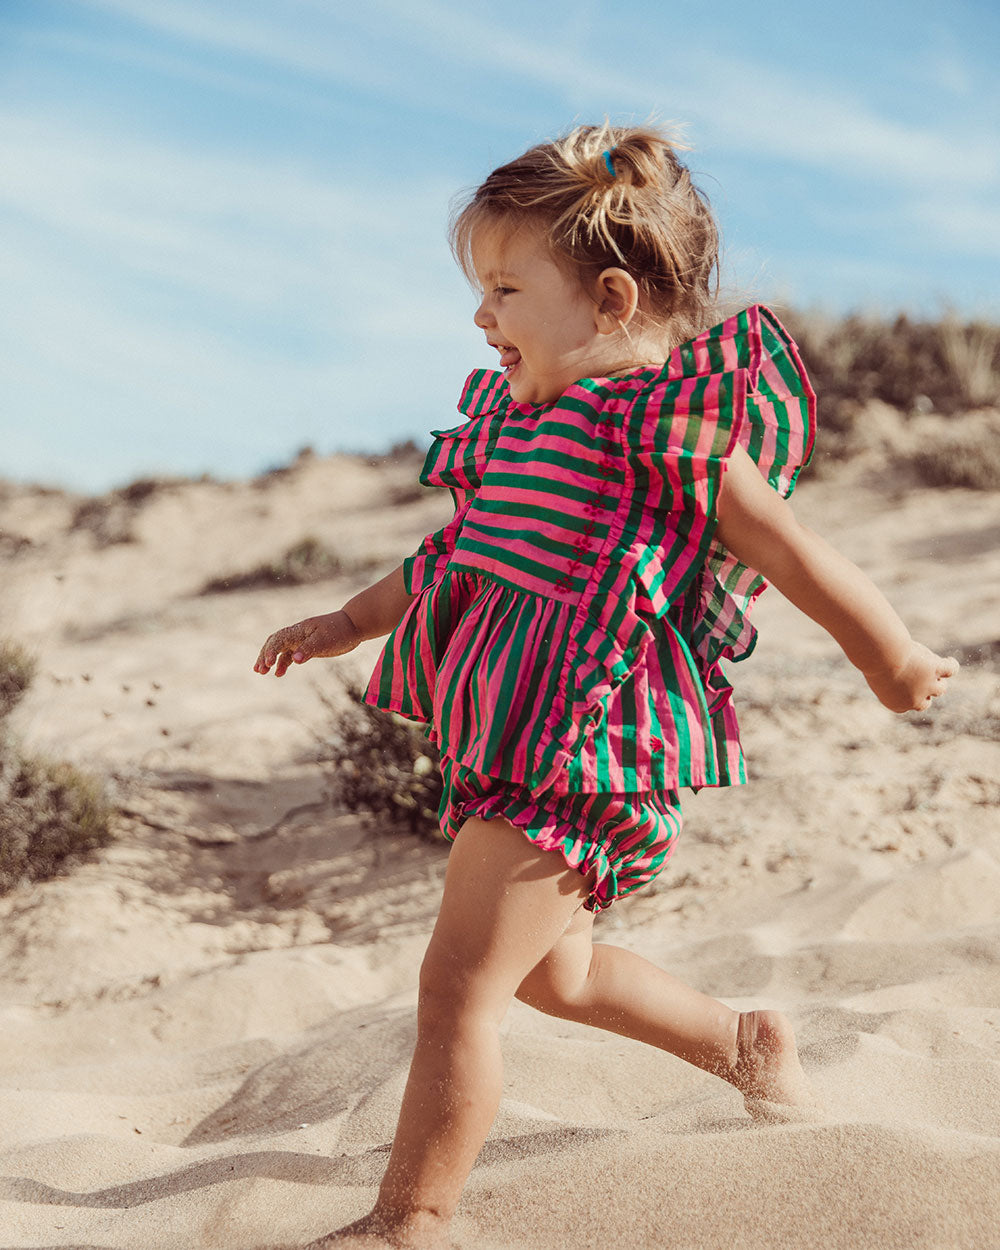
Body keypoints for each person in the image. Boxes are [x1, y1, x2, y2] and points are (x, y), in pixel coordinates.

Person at [254, 121, 957, 1249]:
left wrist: (891, 658)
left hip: (585, 741)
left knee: (457, 989)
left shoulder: (659, 424)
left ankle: (412, 1216)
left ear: (611, 300)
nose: (480, 316)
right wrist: (348, 618)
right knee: (554, 977)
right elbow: (456, 554)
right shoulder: (513, 426)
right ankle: (741, 1043)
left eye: (503, 287)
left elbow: (788, 548)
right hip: (516, 733)